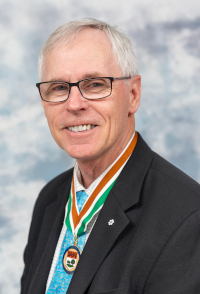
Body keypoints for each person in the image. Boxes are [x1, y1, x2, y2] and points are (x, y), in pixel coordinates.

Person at [21, 18, 200, 294]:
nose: (74, 104)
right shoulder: (50, 199)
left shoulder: (187, 218)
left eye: (94, 84)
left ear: (133, 94)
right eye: (58, 88)